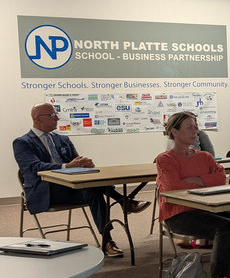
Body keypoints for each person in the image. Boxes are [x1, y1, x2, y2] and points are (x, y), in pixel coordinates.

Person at [14, 103, 149, 258]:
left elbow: (76, 162)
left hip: (70, 187)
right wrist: (66, 166)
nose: (57, 118)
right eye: (52, 115)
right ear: (38, 118)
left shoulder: (62, 139)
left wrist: (84, 164)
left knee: (94, 189)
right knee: (96, 189)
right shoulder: (23, 142)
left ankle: (107, 240)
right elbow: (33, 167)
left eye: (56, 114)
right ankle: (123, 202)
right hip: (46, 192)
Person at [157, 111, 230, 278]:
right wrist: (205, 180)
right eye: (189, 127)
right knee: (226, 228)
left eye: (195, 126)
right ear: (174, 132)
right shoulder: (165, 159)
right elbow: (173, 187)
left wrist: (194, 180)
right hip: (178, 215)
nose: (195, 131)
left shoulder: (204, 156)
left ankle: (227, 270)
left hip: (206, 208)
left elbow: (220, 178)